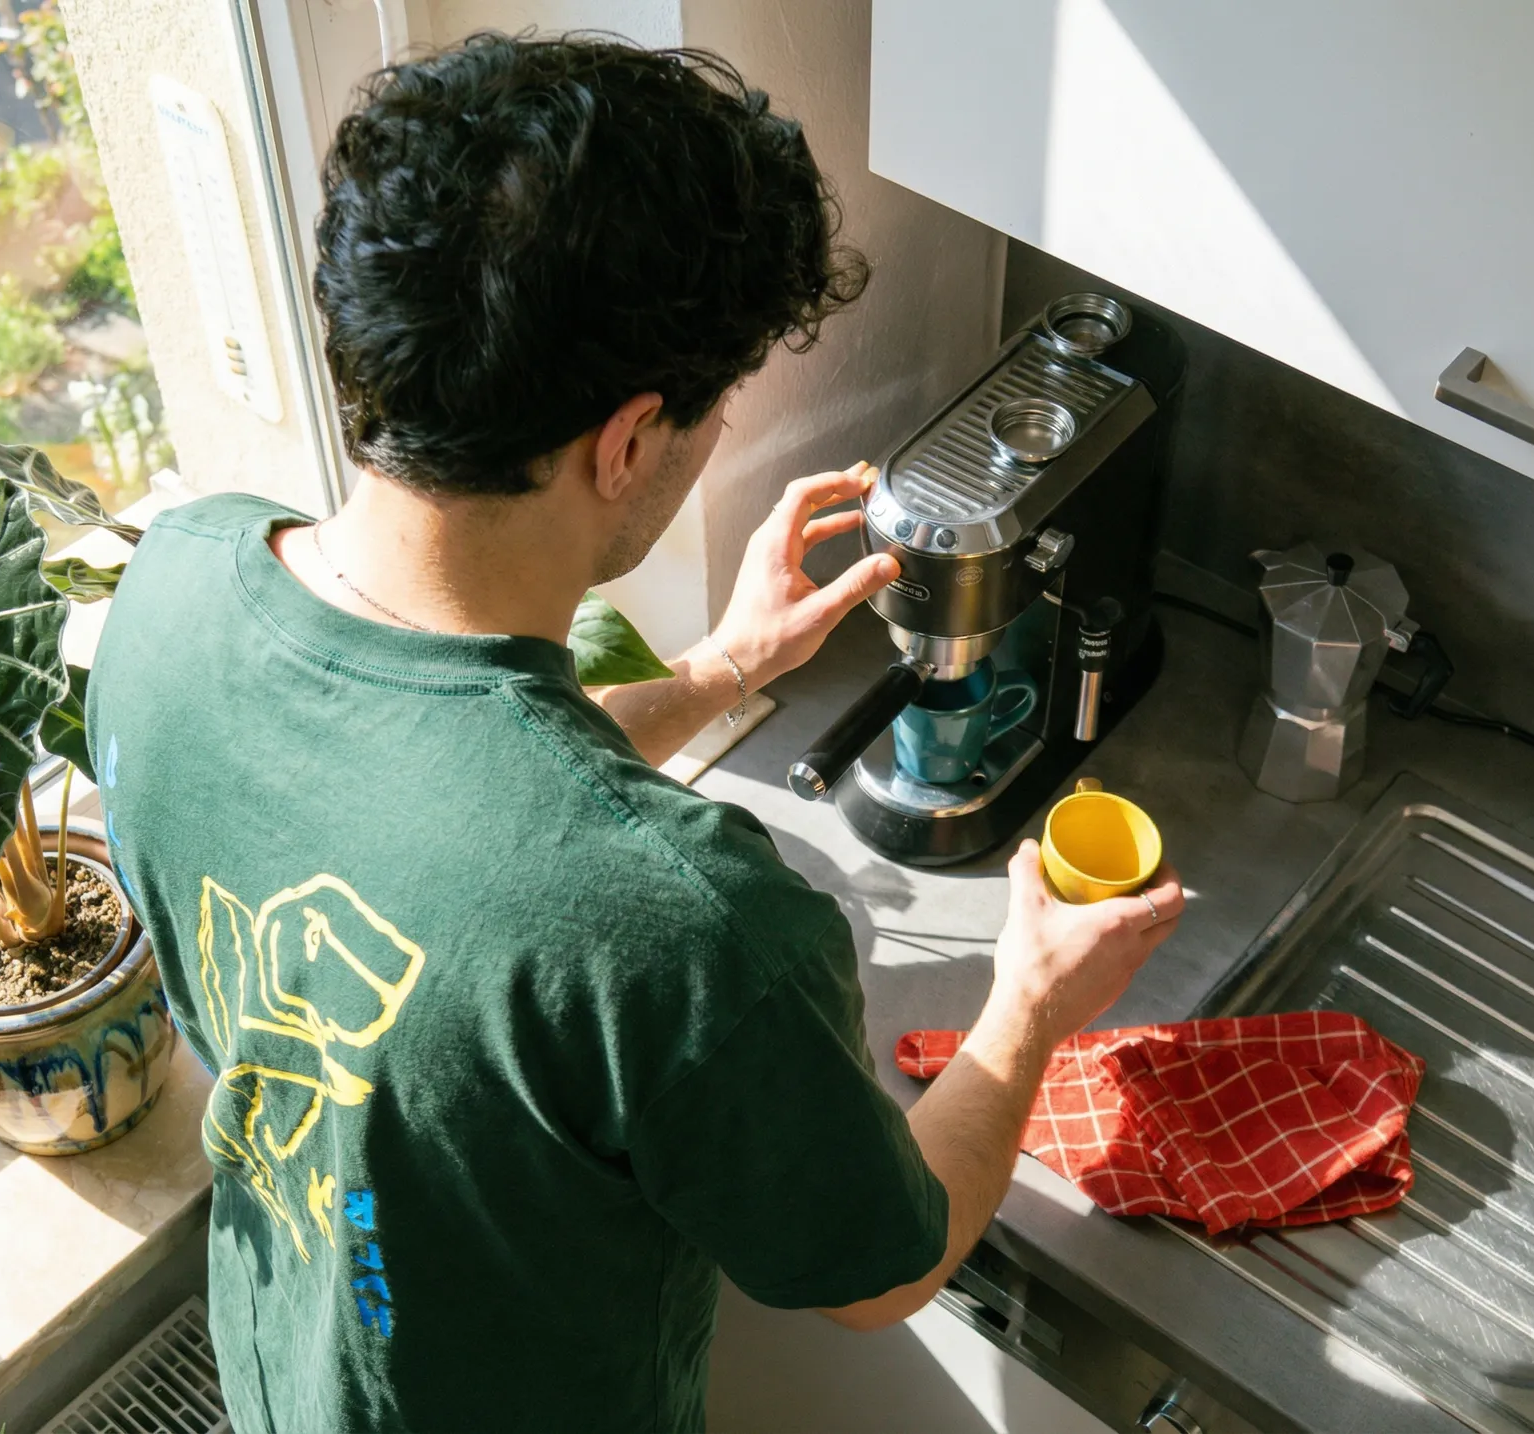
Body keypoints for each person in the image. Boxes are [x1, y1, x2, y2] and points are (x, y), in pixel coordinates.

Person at [88, 32, 1184, 1434]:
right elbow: (884, 1263)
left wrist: (726, 663)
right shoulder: (680, 928)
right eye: (715, 415)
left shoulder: (173, 584)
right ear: (625, 441)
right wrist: (1030, 1001)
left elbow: (430, 788)